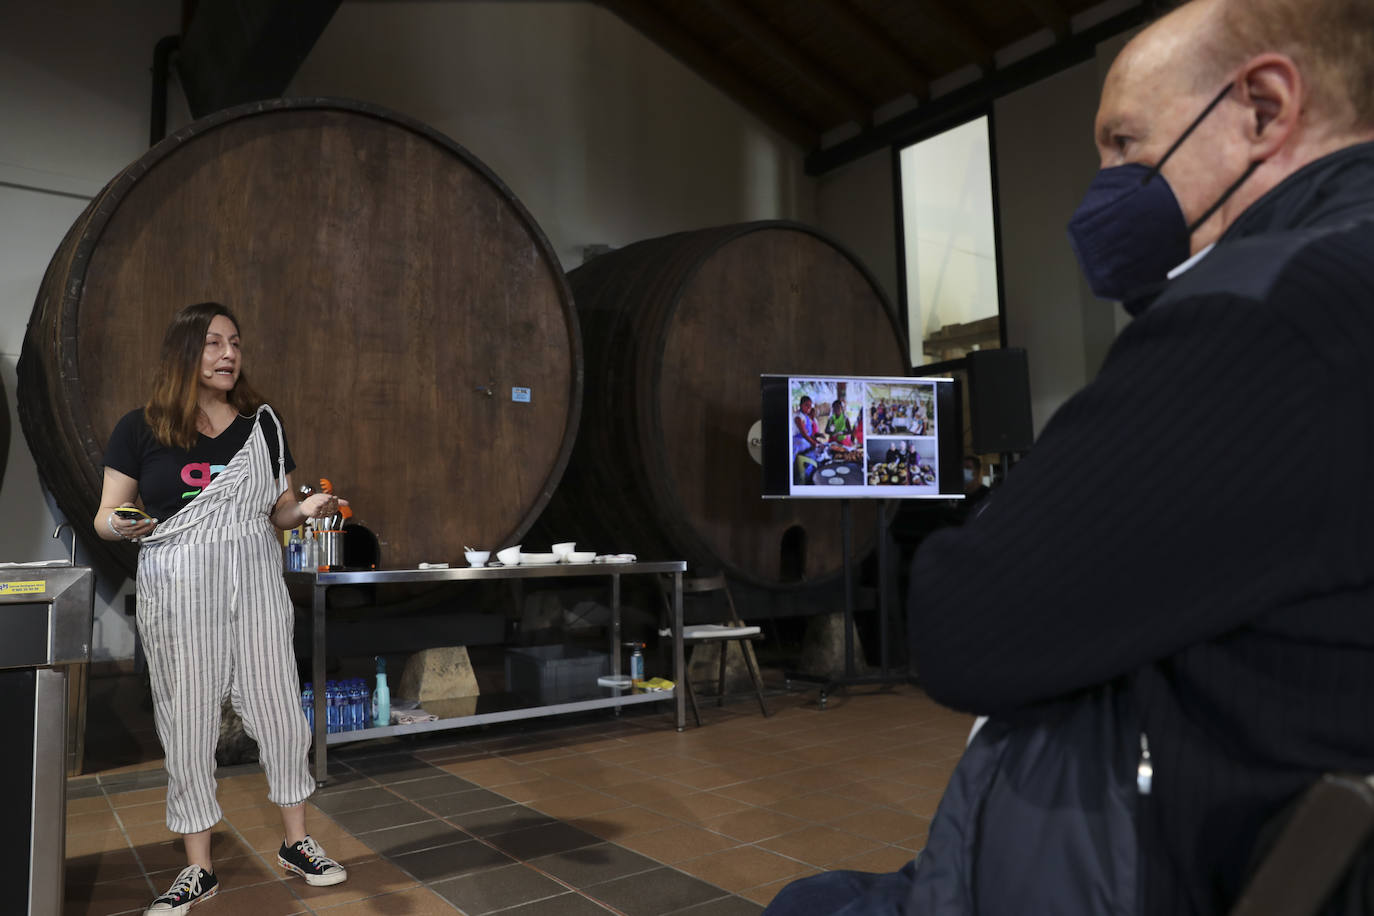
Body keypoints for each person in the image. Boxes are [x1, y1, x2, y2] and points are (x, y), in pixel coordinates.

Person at [765, 0, 1374, 913]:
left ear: (1262, 109)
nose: (1104, 186)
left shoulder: (1260, 309)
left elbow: (963, 626)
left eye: (1125, 144)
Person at [96, 303, 350, 914]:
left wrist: (305, 511)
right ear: (185, 352)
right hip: (178, 589)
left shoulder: (263, 426)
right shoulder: (140, 428)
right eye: (213, 343)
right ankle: (198, 869)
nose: (228, 354)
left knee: (284, 716)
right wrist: (124, 525)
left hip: (256, 582)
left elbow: (279, 511)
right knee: (187, 726)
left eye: (234, 342)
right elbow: (105, 516)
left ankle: (297, 842)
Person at [792, 396, 824, 483]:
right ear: (801, 405)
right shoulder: (798, 416)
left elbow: (809, 434)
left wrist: (816, 441)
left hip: (804, 442)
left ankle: (810, 472)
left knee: (818, 450)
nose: (809, 407)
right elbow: (804, 434)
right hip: (797, 443)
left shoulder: (806, 417)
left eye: (810, 405)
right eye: (806, 405)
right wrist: (814, 443)